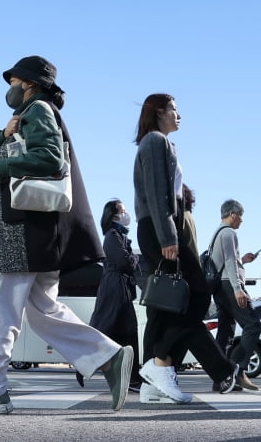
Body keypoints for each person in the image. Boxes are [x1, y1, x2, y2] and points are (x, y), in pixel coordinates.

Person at [0, 55, 134, 415]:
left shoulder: (38, 110)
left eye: (12, 82)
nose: (9, 89)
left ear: (28, 83)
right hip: (37, 233)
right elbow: (26, 155)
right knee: (43, 311)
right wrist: (1, 142)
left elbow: (50, 158)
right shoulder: (28, 115)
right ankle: (109, 358)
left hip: (22, 233)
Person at [133, 93, 238, 404]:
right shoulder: (155, 141)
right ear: (158, 112)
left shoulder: (164, 143)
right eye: (174, 110)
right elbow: (156, 192)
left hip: (161, 226)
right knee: (196, 295)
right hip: (159, 227)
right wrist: (168, 237)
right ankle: (159, 365)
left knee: (171, 304)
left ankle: (155, 380)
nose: (179, 116)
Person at [76, 199, 141, 391]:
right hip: (115, 287)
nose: (126, 214)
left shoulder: (118, 236)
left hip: (120, 287)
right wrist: (135, 258)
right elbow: (125, 262)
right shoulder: (113, 236)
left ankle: (132, 378)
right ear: (114, 215)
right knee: (105, 328)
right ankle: (83, 364)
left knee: (126, 332)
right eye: (123, 210)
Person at [210, 199, 261, 391]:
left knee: (225, 332)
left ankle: (220, 378)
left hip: (220, 288)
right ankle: (238, 371)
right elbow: (230, 261)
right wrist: (238, 288)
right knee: (253, 325)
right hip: (230, 287)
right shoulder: (229, 233)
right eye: (240, 216)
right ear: (232, 214)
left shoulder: (217, 233)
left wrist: (244, 262)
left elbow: (226, 261)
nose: (241, 220)